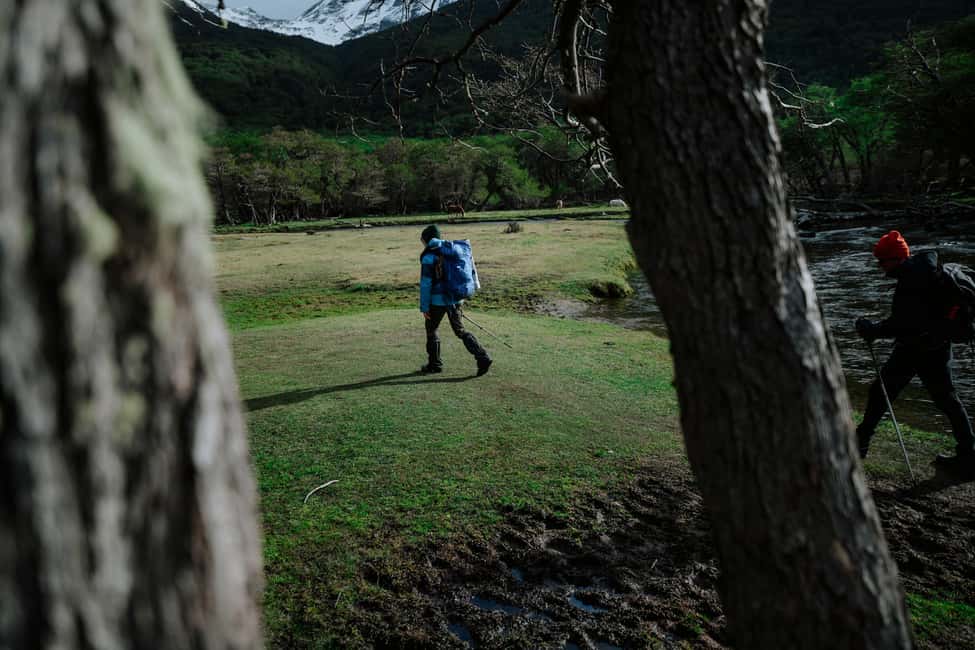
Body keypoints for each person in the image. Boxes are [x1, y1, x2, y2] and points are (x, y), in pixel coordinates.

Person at [855, 230, 974, 471]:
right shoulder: (924, 271)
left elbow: (902, 324)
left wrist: (872, 329)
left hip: (917, 349)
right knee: (947, 400)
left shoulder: (912, 280)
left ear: (897, 258)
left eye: (882, 261)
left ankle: (859, 445)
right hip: (937, 345)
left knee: (881, 392)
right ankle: (969, 455)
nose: (880, 266)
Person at [418, 225, 492, 376]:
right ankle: (483, 357)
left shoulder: (428, 257)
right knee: (460, 331)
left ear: (427, 239)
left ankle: (435, 364)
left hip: (437, 301)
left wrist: (424, 307)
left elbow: (426, 284)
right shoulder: (452, 250)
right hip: (455, 299)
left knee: (431, 330)